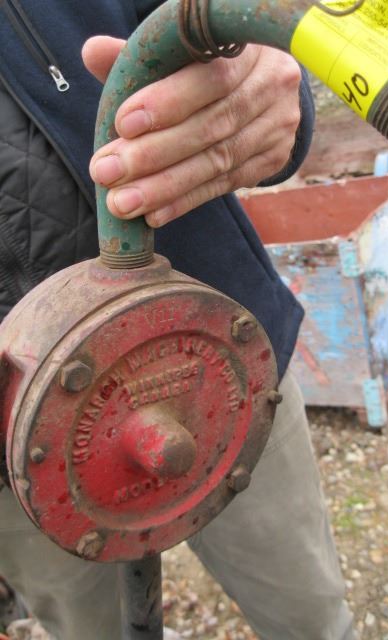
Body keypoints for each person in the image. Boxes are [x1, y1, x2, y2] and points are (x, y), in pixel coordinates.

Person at [0, 1, 355, 638]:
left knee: (309, 615)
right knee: (91, 629)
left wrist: (269, 94)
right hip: (19, 452)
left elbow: (225, 22)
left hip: (222, 361)